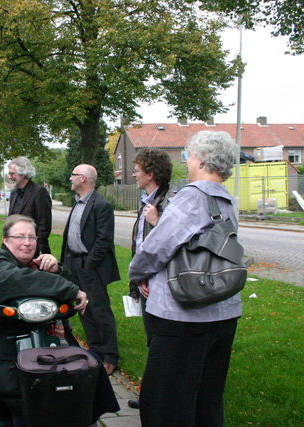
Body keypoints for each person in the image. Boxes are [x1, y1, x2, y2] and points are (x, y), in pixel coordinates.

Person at [129, 131, 242, 426]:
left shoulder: (191, 196)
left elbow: (157, 246)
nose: (187, 160)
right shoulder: (228, 200)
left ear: (202, 159)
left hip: (182, 315)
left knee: (164, 402)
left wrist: (138, 274)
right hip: (224, 311)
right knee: (206, 398)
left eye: (190, 155)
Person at [0, 214, 119, 423]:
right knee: (31, 387)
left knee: (90, 371)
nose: (27, 243)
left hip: (37, 343)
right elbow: (15, 280)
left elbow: (47, 285)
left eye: (32, 237)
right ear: (5, 240)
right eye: (20, 237)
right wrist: (70, 289)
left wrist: (58, 270)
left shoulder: (35, 265)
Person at [61, 164, 121, 376]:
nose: (70, 178)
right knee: (83, 309)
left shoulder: (101, 205)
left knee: (100, 311)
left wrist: (88, 265)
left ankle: (110, 357)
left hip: (91, 267)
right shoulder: (77, 203)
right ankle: (96, 350)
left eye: (73, 174)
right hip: (73, 264)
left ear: (84, 178)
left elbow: (104, 241)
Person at [127, 148, 172, 410]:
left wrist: (158, 222)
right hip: (147, 283)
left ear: (151, 174)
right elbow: (142, 244)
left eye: (138, 170)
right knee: (152, 340)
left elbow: (175, 243)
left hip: (162, 285)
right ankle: (153, 397)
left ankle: (157, 400)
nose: (134, 174)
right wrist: (140, 277)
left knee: (161, 344)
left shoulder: (168, 203)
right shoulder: (147, 200)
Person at [7, 157, 53, 254]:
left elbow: (44, 225)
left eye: (12, 174)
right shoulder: (14, 193)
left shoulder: (39, 192)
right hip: (15, 249)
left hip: (32, 249)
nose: (9, 177)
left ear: (22, 174)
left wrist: (37, 248)